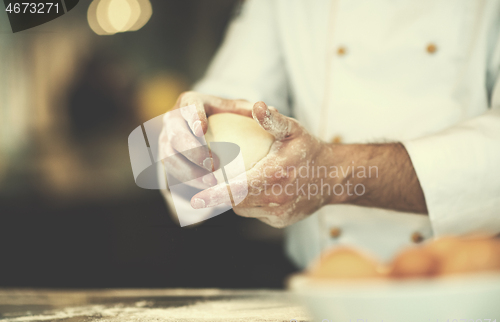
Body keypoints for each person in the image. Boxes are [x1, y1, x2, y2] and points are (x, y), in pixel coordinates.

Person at [159, 0, 500, 269]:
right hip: (322, 294)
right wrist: (188, 150)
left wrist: (333, 173)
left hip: (464, 285)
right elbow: (230, 95)